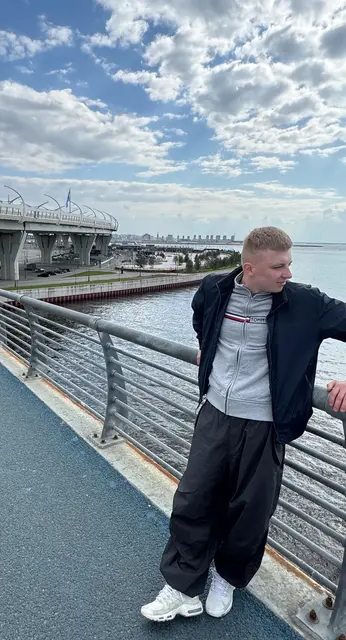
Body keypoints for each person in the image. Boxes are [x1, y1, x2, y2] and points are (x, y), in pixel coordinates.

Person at [141, 226, 346, 623]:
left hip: (265, 425)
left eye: (289, 264)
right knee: (192, 500)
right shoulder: (214, 288)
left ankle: (228, 577)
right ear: (249, 268)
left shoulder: (306, 303)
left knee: (250, 513)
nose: (288, 273)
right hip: (215, 413)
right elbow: (201, 319)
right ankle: (182, 587)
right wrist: (207, 347)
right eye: (279, 267)